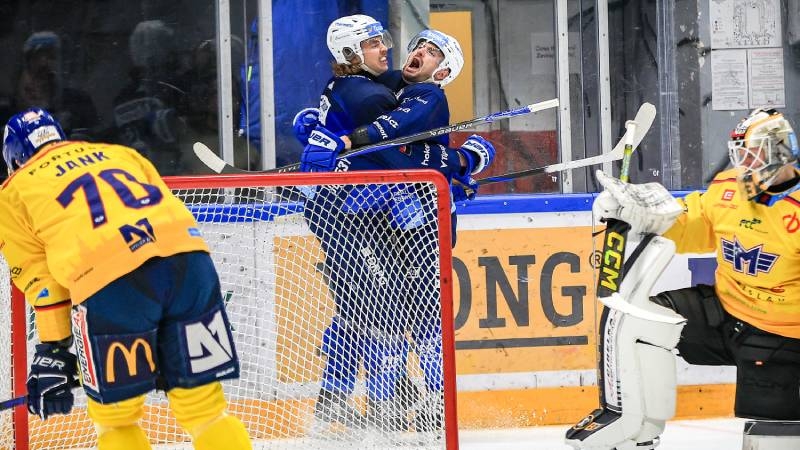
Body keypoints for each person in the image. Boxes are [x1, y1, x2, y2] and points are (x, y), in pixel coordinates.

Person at [0, 108, 252, 450]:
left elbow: (45, 285)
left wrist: (54, 350)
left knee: (116, 421)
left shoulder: (12, 192)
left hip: (111, 282)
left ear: (14, 160)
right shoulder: (119, 153)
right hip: (190, 263)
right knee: (205, 410)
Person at [296, 17, 495, 436]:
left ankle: (421, 400)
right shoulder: (379, 91)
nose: (400, 50)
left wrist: (325, 132)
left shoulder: (414, 92)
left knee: (408, 315)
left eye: (432, 52)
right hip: (368, 217)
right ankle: (381, 401)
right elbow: (401, 153)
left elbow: (400, 144)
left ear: (443, 71)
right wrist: (460, 165)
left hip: (410, 218)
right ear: (351, 54)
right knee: (378, 313)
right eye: (374, 44)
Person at [568, 107, 800, 449]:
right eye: (740, 156)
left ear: (778, 151)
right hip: (724, 312)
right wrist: (634, 213)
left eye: (751, 155)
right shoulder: (728, 189)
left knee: (771, 441)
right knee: (639, 322)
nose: (743, 166)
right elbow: (691, 226)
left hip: (780, 337)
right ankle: (636, 431)